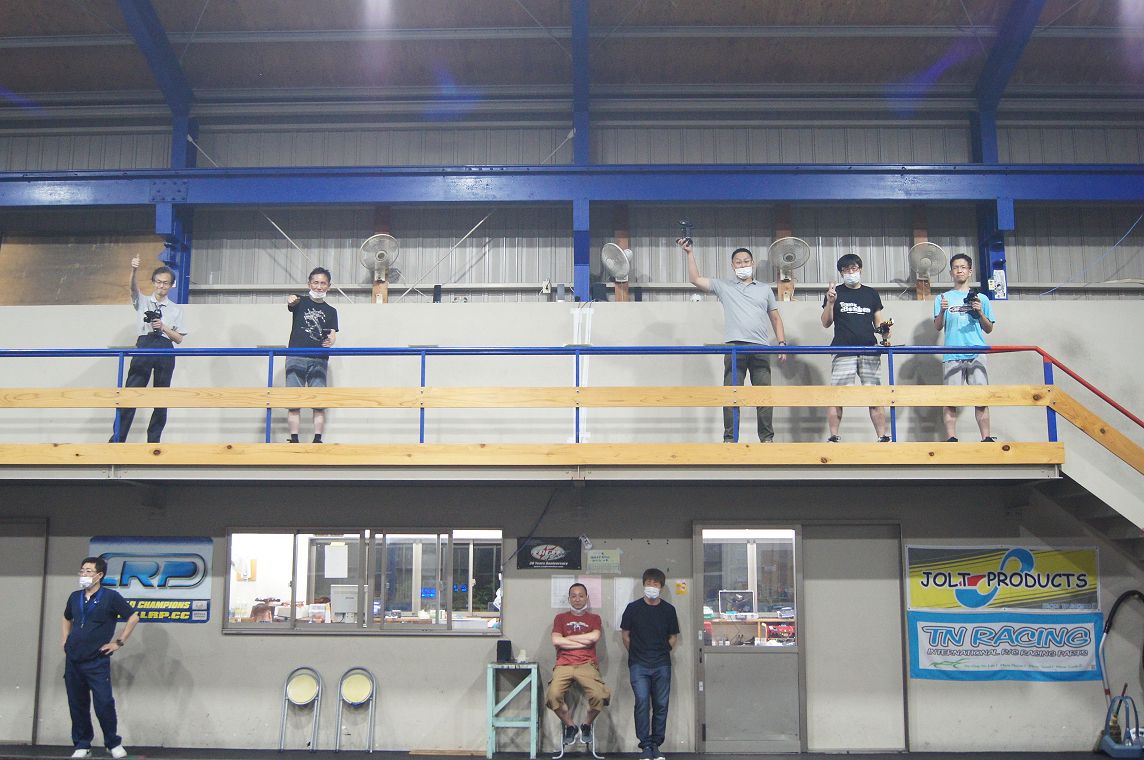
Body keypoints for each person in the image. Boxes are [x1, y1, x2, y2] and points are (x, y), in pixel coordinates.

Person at [679, 239, 787, 442]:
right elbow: (695, 279)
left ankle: (767, 439)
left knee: (764, 395)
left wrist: (782, 343)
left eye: (746, 261)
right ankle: (730, 439)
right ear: (732, 265)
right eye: (738, 262)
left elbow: (775, 317)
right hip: (734, 348)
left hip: (760, 348)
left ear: (752, 263)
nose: (742, 265)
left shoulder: (764, 289)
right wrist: (689, 253)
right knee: (731, 395)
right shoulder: (724, 286)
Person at [62, 556, 140, 759]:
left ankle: (112, 743)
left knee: (104, 703)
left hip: (97, 660)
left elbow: (133, 617)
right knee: (77, 704)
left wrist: (118, 642)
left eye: (88, 571)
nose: (84, 574)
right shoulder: (75, 597)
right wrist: (65, 640)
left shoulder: (111, 597)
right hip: (74, 660)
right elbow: (67, 617)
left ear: (99, 575)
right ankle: (82, 744)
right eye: (82, 571)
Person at [109, 256, 188, 443]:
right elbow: (132, 289)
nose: (161, 286)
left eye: (165, 283)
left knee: (161, 397)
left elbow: (179, 339)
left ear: (171, 285)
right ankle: (117, 440)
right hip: (144, 345)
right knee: (131, 394)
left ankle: (154, 441)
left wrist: (164, 327)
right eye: (158, 282)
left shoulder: (176, 310)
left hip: (165, 348)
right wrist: (134, 270)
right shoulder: (143, 301)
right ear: (153, 282)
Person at [821, 253, 890, 442]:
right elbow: (826, 322)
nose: (850, 272)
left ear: (860, 269)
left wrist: (885, 331)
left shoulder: (871, 293)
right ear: (841, 273)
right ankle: (833, 436)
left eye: (854, 268)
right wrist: (830, 303)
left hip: (869, 349)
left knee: (874, 395)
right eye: (846, 270)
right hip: (843, 350)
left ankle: (882, 437)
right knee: (837, 395)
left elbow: (879, 322)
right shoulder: (835, 293)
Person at [934, 253, 997, 442]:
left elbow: (989, 328)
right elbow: (937, 326)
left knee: (981, 398)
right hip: (951, 354)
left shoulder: (982, 298)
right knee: (950, 400)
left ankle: (986, 437)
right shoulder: (943, 298)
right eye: (955, 267)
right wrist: (943, 310)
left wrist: (979, 312)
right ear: (951, 272)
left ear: (970, 271)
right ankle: (951, 438)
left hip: (977, 352)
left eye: (963, 267)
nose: (959, 270)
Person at [620, 568, 680, 760]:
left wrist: (663, 651)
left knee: (661, 704)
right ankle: (645, 745)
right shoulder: (632, 608)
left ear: (661, 586)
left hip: (662, 664)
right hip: (638, 664)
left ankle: (656, 744)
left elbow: (673, 637)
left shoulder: (669, 610)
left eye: (656, 583)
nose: (652, 586)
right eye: (649, 583)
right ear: (644, 584)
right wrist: (636, 653)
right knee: (642, 702)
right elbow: (625, 635)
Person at [546, 583, 611, 749]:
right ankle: (570, 726)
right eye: (573, 596)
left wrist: (567, 640)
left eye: (581, 596)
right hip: (564, 664)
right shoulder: (560, 618)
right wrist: (583, 641)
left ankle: (586, 725)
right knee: (552, 696)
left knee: (599, 696)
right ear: (569, 599)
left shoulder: (594, 618)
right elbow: (556, 640)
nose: (577, 599)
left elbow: (594, 637)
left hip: (587, 664)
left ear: (586, 598)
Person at [285, 267, 339, 443]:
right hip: (296, 356)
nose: (319, 286)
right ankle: (294, 438)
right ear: (309, 284)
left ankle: (317, 439)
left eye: (323, 283)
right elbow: (292, 301)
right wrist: (291, 299)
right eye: (316, 282)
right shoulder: (300, 302)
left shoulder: (331, 311)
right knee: (294, 401)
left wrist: (331, 340)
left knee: (319, 402)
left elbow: (332, 334)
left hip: (319, 358)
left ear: (328, 286)